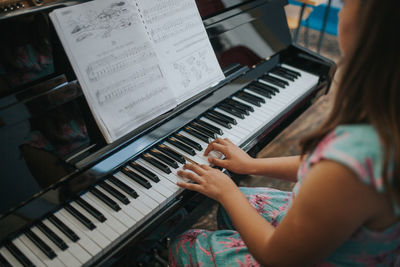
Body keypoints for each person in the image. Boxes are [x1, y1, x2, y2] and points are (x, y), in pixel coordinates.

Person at [169, 0, 400, 265]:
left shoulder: (356, 157)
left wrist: (228, 191)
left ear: (372, 26)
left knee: (185, 243)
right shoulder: (384, 119)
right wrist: (251, 165)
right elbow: (322, 169)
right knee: (236, 204)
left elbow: (278, 258)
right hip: (353, 237)